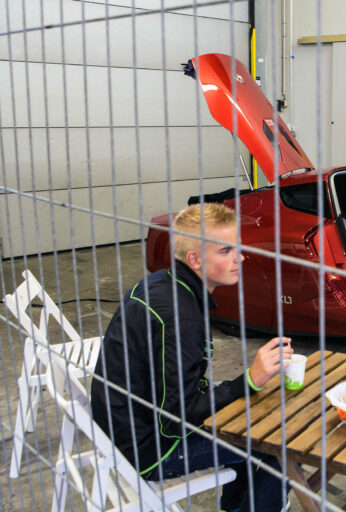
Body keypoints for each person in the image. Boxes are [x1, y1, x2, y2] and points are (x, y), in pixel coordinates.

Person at [91, 203, 293, 512]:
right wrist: (248, 379)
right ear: (195, 259)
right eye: (226, 251)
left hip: (125, 425)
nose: (239, 258)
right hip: (149, 449)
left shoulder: (163, 283)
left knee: (245, 415)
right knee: (279, 444)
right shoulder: (182, 318)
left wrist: (237, 389)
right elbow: (174, 421)